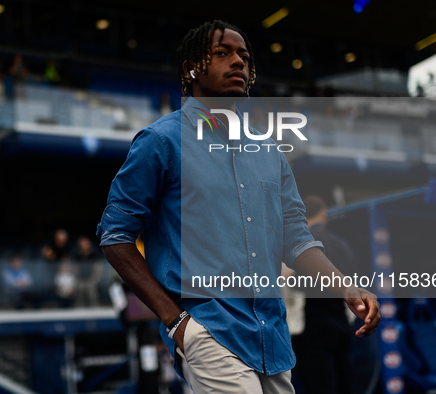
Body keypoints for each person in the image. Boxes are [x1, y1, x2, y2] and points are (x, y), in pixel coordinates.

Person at [96, 20, 380, 393]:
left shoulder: (269, 152)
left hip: (272, 337)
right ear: (190, 69)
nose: (237, 62)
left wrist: (344, 287)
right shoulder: (160, 142)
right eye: (221, 53)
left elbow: (295, 238)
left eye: (244, 55)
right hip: (209, 330)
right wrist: (177, 322)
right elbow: (115, 236)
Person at [295, 195, 356, 394]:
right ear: (324, 214)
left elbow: (296, 280)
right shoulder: (343, 244)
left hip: (317, 322)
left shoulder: (304, 245)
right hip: (342, 322)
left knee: (320, 384)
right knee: (344, 382)